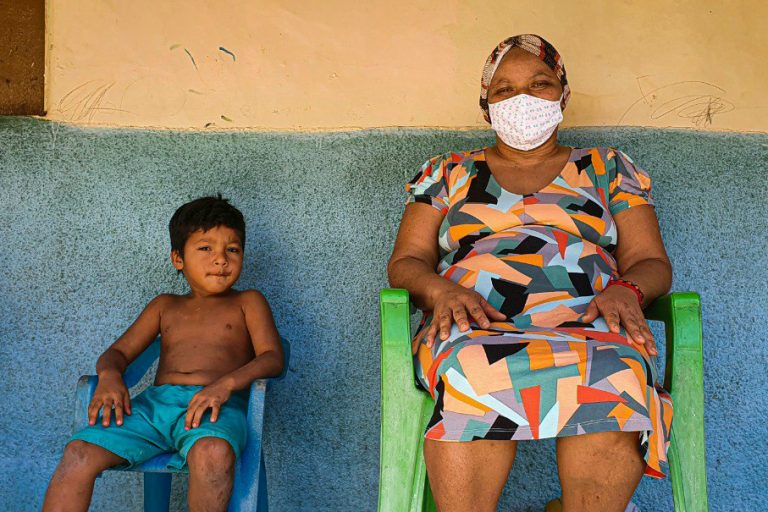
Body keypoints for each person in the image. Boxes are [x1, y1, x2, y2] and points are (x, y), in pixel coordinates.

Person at [388, 34, 673, 512]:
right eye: (504, 90)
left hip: (590, 324)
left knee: (617, 371)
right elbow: (406, 261)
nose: (521, 98)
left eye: (539, 84)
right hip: (474, 324)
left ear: (563, 95)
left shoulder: (606, 168)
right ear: (485, 107)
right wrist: (439, 291)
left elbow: (651, 261)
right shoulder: (446, 173)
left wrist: (628, 289)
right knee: (474, 370)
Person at [43, 196, 284, 512]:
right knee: (78, 453)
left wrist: (225, 385)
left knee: (212, 452)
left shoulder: (248, 302)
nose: (221, 259)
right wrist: (111, 376)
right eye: (205, 248)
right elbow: (117, 352)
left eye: (232, 249)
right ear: (178, 258)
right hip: (154, 408)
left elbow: (272, 358)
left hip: (215, 409)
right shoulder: (164, 306)